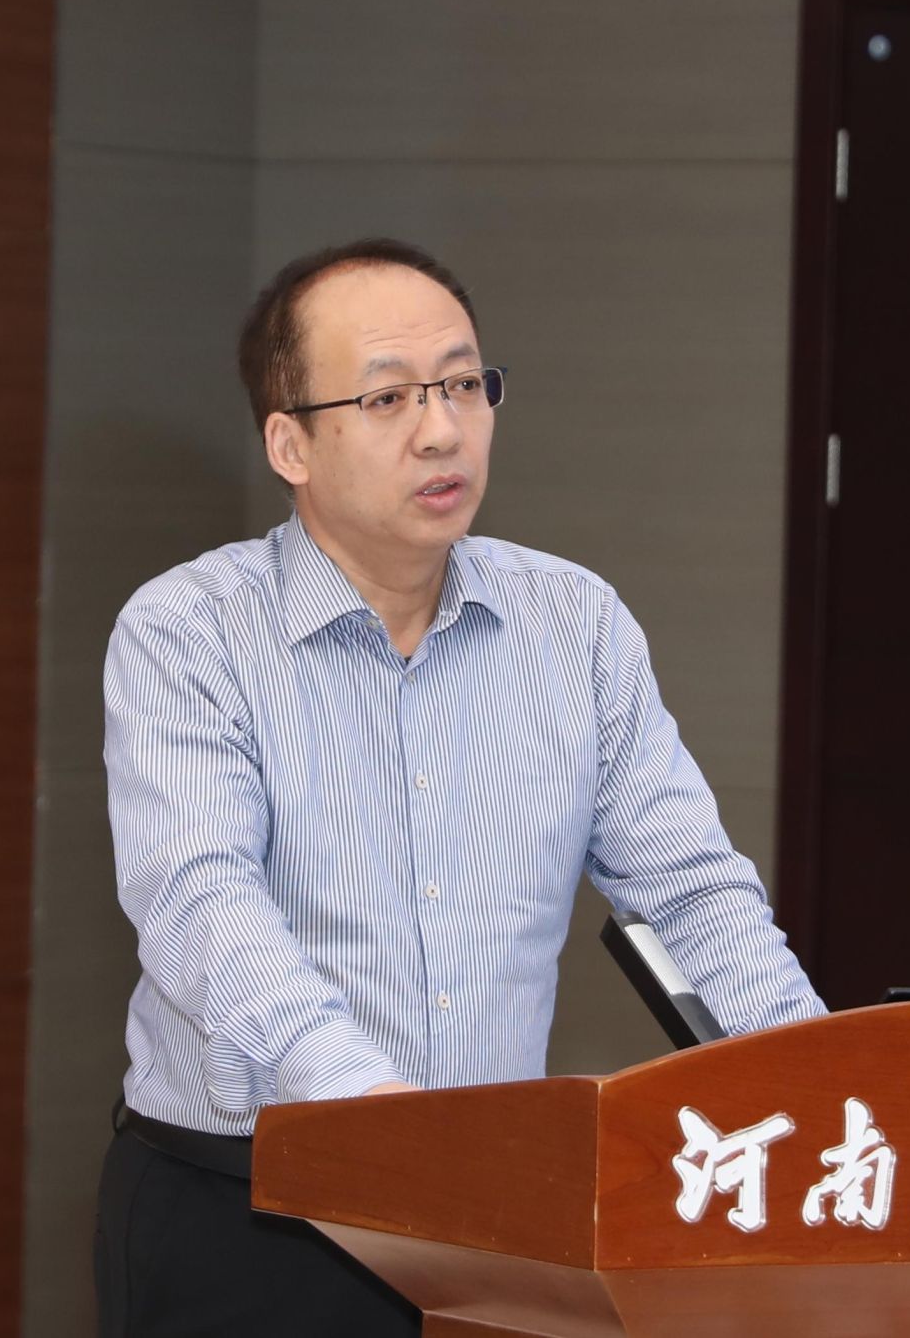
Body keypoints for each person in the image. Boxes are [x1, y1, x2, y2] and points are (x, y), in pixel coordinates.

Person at [93, 238, 826, 1336]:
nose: (441, 429)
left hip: (492, 1219)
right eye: (387, 397)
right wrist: (381, 1122)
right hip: (248, 1217)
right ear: (290, 444)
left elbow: (691, 895)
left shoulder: (574, 626)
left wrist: (832, 1097)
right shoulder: (188, 633)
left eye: (463, 384)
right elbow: (204, 911)